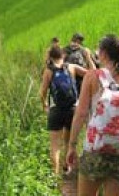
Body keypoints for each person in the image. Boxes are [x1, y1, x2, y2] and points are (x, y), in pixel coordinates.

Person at [66, 35, 119, 196]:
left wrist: (72, 146)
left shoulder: (92, 77)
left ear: (103, 54)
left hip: (95, 152)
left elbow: (81, 114)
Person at [39, 46, 88, 177]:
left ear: (50, 56)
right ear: (62, 56)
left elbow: (42, 92)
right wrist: (88, 57)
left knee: (55, 145)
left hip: (55, 110)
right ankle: (67, 167)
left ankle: (55, 176)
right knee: (68, 141)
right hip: (72, 109)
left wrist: (44, 105)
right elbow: (90, 74)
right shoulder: (71, 67)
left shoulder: (48, 71)